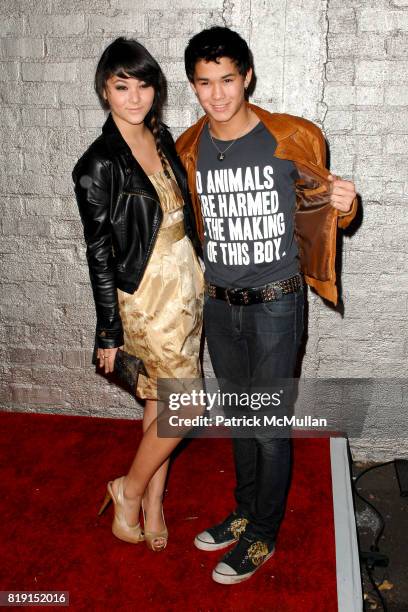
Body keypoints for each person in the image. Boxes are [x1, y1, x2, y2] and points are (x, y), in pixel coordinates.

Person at [176, 26, 357, 583]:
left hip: (277, 304)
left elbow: (325, 209)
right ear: (194, 85)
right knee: (239, 417)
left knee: (269, 424)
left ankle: (263, 534)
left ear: (246, 75)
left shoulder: (293, 136)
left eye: (227, 79)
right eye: (205, 83)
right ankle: (245, 511)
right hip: (219, 303)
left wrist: (347, 206)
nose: (218, 94)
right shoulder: (188, 146)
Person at [72, 37, 204, 552]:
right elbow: (99, 254)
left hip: (185, 284)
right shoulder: (97, 164)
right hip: (147, 294)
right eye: (121, 85)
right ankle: (127, 490)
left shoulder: (161, 136)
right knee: (186, 407)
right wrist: (108, 329)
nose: (134, 96)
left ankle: (153, 501)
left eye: (143, 84)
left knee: (160, 399)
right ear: (105, 90)